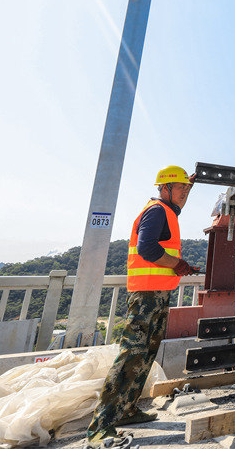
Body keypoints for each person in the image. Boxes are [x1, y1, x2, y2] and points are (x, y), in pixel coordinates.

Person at [86, 165, 199, 447]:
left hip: (156, 294)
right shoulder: (157, 211)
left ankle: (126, 410)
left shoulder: (168, 210)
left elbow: (176, 206)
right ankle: (102, 426)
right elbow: (148, 248)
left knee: (146, 353)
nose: (184, 192)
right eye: (180, 187)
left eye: (187, 188)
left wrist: (189, 184)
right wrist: (179, 265)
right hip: (146, 296)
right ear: (164, 188)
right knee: (131, 355)